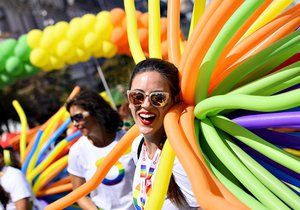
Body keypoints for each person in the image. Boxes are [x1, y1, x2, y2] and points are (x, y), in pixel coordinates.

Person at [128, 58, 200, 209]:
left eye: (158, 98)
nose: (146, 105)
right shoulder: (138, 146)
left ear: (174, 101)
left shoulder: (181, 155)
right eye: (137, 96)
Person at [66, 89, 135, 210]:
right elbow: (79, 195)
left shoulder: (128, 139)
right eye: (72, 119)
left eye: (78, 117)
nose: (75, 124)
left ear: (97, 112)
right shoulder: (77, 152)